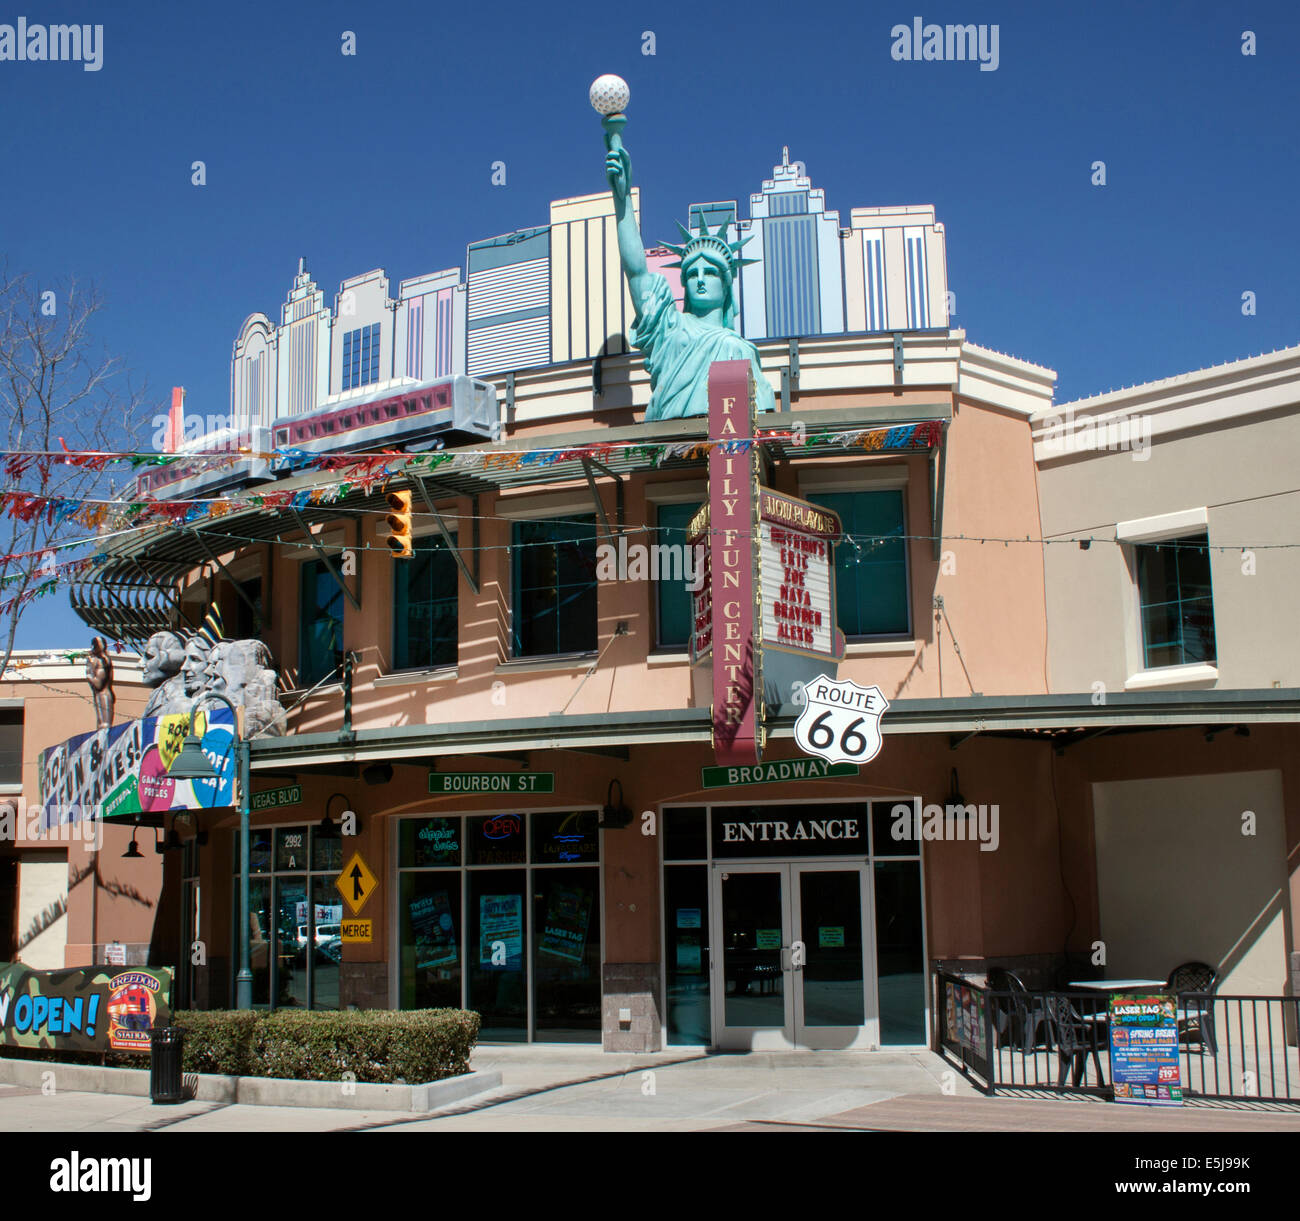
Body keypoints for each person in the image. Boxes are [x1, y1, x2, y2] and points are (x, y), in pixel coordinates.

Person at [605, 125, 775, 421]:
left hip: (729, 444)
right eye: (692, 273)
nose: (700, 279)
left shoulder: (739, 348)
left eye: (710, 272)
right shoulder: (670, 326)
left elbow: (763, 417)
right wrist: (622, 200)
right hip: (669, 438)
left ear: (726, 285)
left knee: (731, 345)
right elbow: (636, 272)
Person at [84, 637, 114, 731]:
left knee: (104, 725)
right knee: (100, 725)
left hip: (104, 695)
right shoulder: (98, 660)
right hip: (99, 695)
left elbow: (98, 684)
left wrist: (89, 670)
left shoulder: (103, 661)